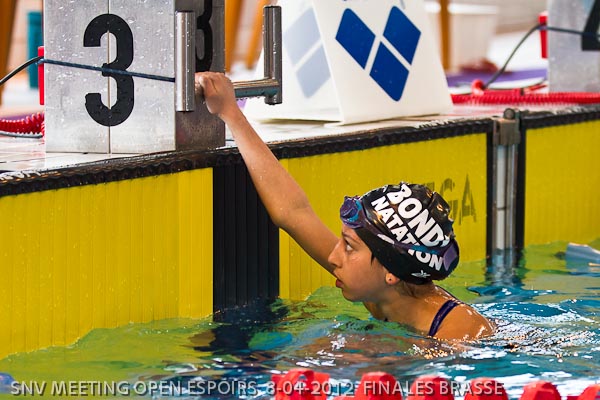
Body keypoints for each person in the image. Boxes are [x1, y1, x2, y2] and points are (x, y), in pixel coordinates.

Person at [195, 72, 495, 341]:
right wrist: (231, 113)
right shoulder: (382, 286)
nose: (332, 256)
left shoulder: (460, 336)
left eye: (349, 246)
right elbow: (293, 213)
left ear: (391, 271)